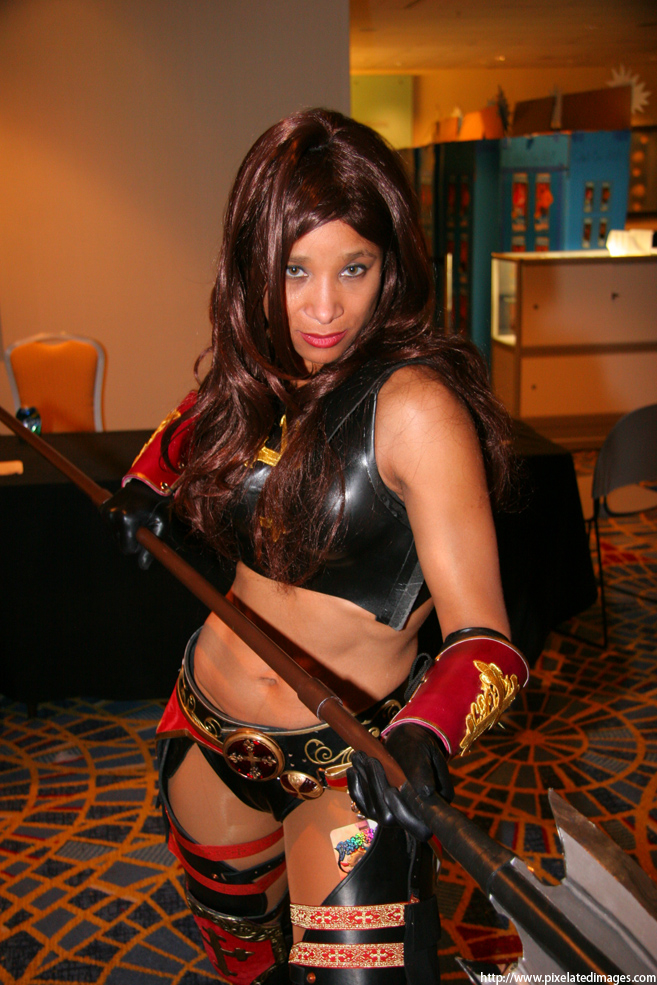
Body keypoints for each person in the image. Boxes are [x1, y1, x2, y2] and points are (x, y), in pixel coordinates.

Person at [102, 108, 529, 985]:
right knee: (248, 970)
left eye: (353, 268)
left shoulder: (417, 410)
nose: (324, 308)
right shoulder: (260, 371)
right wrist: (145, 484)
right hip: (204, 736)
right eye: (294, 269)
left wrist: (427, 733)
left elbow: (489, 641)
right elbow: (197, 419)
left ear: (389, 266)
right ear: (252, 265)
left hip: (348, 771)